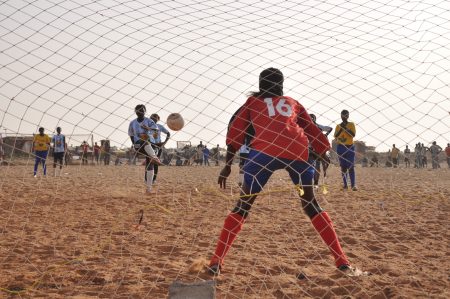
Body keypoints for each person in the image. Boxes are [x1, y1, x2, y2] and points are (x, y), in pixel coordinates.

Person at [209, 68, 352, 275]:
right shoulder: (293, 102)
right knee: (310, 203)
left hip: (264, 154)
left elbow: (236, 133)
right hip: (297, 152)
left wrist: (227, 165)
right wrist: (323, 151)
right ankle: (342, 261)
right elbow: (311, 128)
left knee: (243, 204)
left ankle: (216, 261)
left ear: (260, 85)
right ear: (281, 85)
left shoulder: (252, 103)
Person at [128, 104, 162, 193]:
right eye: (138, 110)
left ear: (145, 111)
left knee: (149, 164)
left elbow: (156, 130)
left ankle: (149, 188)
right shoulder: (132, 123)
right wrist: (134, 144)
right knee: (144, 141)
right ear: (135, 112)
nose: (140, 112)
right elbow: (131, 135)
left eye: (142, 110)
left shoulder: (149, 121)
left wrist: (147, 128)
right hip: (139, 145)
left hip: (150, 145)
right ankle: (155, 157)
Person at [334, 110, 357, 190]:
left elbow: (353, 135)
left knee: (351, 167)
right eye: (342, 115)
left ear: (348, 116)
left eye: (346, 115)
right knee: (343, 167)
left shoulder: (351, 124)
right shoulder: (338, 126)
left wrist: (346, 128)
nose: (344, 117)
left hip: (350, 147)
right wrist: (341, 128)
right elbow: (336, 136)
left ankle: (353, 185)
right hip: (340, 147)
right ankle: (345, 185)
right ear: (340, 116)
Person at [309, 114, 332, 187]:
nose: (311, 119)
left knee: (317, 167)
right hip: (309, 149)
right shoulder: (306, 126)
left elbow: (330, 128)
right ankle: (309, 182)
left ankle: (316, 183)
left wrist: (325, 135)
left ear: (315, 119)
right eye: (310, 118)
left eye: (313, 118)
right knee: (309, 166)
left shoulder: (318, 126)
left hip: (318, 149)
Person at [150, 113, 171, 183]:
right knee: (149, 162)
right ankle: (149, 178)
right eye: (152, 118)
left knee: (156, 162)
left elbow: (168, 133)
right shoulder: (147, 126)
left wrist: (164, 142)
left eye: (155, 118)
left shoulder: (160, 126)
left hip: (158, 146)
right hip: (150, 145)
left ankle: (154, 179)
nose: (153, 119)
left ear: (158, 119)